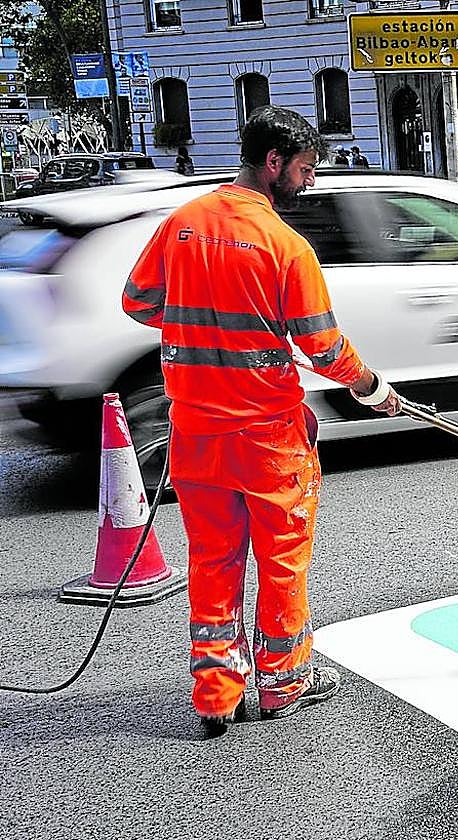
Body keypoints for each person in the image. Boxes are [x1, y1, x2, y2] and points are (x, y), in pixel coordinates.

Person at [121, 105, 402, 738]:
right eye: (304, 169)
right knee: (281, 561)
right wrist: (370, 386)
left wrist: (200, 324)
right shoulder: (285, 247)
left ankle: (217, 693)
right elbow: (323, 347)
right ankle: (281, 684)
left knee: (213, 559)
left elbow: (137, 303)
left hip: (194, 430)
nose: (307, 183)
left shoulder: (184, 225)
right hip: (269, 436)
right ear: (273, 162)